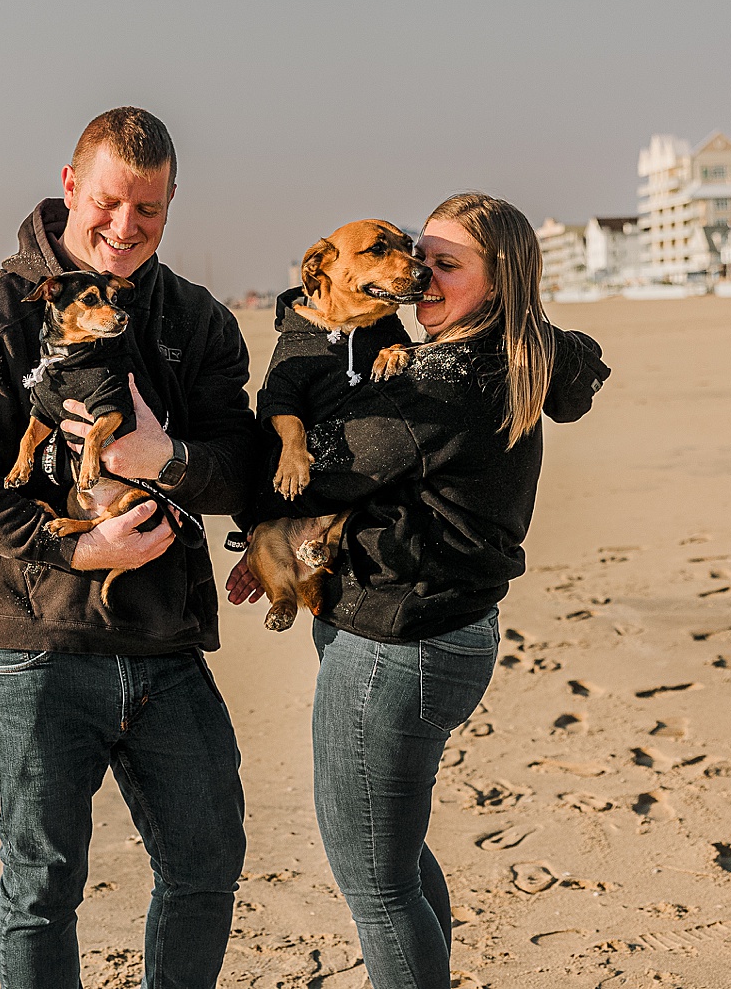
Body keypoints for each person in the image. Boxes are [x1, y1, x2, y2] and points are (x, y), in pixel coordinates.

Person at [0, 108, 258, 989]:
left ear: (172, 203)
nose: (125, 227)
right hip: (37, 652)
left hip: (168, 649)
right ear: (71, 187)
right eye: (109, 202)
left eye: (149, 209)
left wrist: (166, 460)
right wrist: (77, 550)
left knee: (207, 865)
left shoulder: (197, 320)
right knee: (42, 888)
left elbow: (241, 468)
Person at [227, 192, 610, 989]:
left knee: (375, 881)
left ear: (498, 279)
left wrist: (164, 459)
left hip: (397, 649)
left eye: (446, 263)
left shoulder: (438, 381)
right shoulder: (506, 350)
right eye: (420, 256)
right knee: (396, 858)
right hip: (455, 633)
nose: (422, 275)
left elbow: (303, 473)